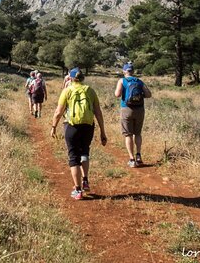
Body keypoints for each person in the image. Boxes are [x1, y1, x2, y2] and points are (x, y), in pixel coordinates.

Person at [51, 67, 107, 200]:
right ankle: (85, 180)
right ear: (82, 78)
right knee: (84, 152)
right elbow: (98, 113)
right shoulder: (90, 90)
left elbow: (59, 112)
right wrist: (103, 132)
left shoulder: (67, 91)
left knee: (73, 156)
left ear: (70, 78)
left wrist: (53, 126)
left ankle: (77, 190)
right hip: (88, 126)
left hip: (72, 126)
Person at [114, 63, 152, 168]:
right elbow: (149, 94)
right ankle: (138, 155)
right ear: (133, 71)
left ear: (124, 71)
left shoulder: (122, 81)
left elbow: (117, 94)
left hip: (126, 109)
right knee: (138, 133)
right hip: (139, 109)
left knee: (128, 134)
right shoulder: (139, 81)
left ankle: (131, 159)